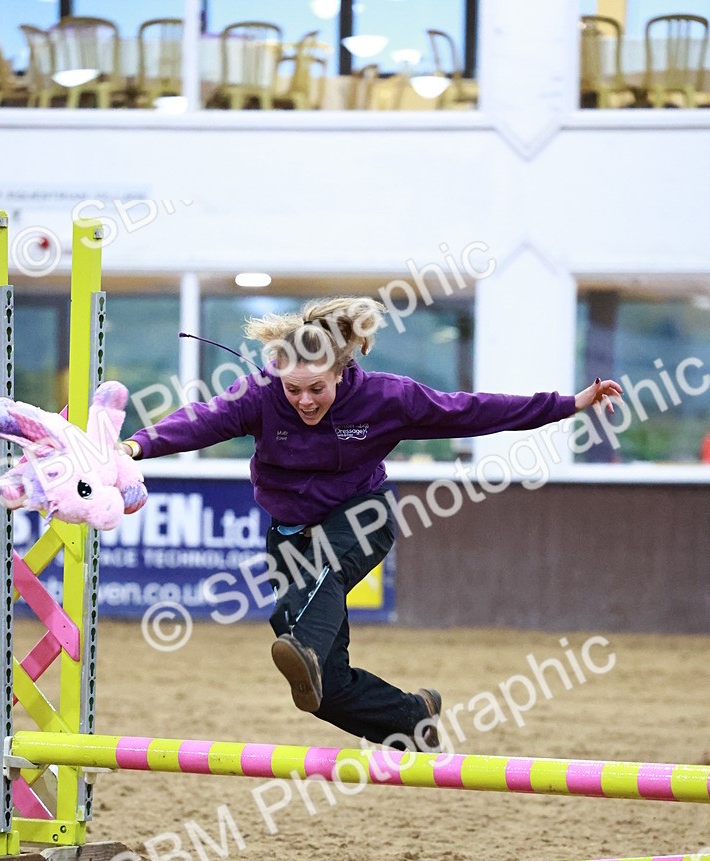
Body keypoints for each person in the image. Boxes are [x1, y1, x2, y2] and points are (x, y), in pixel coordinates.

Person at [121, 296, 622, 753]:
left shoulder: (388, 398)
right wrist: (134, 446)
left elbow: (471, 411)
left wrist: (568, 405)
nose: (305, 401)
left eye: (317, 389)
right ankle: (411, 718)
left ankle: (305, 640)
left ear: (341, 371)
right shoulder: (259, 394)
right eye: (293, 389)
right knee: (322, 690)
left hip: (363, 515)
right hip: (290, 533)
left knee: (317, 587)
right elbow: (201, 420)